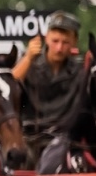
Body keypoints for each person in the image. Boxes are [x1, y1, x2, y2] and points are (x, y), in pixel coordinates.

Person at [13, 11, 83, 167]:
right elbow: (8, 87)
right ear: (46, 38)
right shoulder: (28, 63)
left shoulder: (80, 69)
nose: (59, 48)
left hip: (66, 139)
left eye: (65, 42)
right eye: (55, 41)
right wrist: (28, 58)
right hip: (30, 137)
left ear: (74, 42)